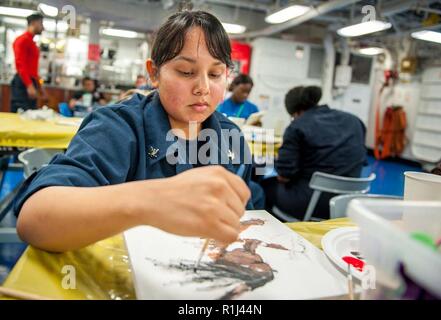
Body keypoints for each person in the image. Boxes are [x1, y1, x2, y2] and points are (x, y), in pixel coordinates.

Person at [13, 10, 253, 253]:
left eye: (215, 74)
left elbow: (247, 219)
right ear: (154, 73)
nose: (203, 88)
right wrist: (153, 201)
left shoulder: (229, 136)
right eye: (186, 72)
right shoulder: (116, 128)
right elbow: (34, 220)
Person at [262, 86, 367, 220]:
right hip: (347, 204)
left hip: (312, 205)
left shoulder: (297, 126)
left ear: (295, 113)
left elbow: (284, 176)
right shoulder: (354, 121)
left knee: (263, 187)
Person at [10, 13, 46, 113]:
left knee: (30, 115)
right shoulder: (22, 40)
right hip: (23, 83)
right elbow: (20, 65)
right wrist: (29, 86)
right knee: (20, 114)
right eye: (41, 23)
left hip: (30, 81)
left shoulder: (32, 43)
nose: (43, 27)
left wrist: (39, 86)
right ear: (34, 23)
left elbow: (33, 69)